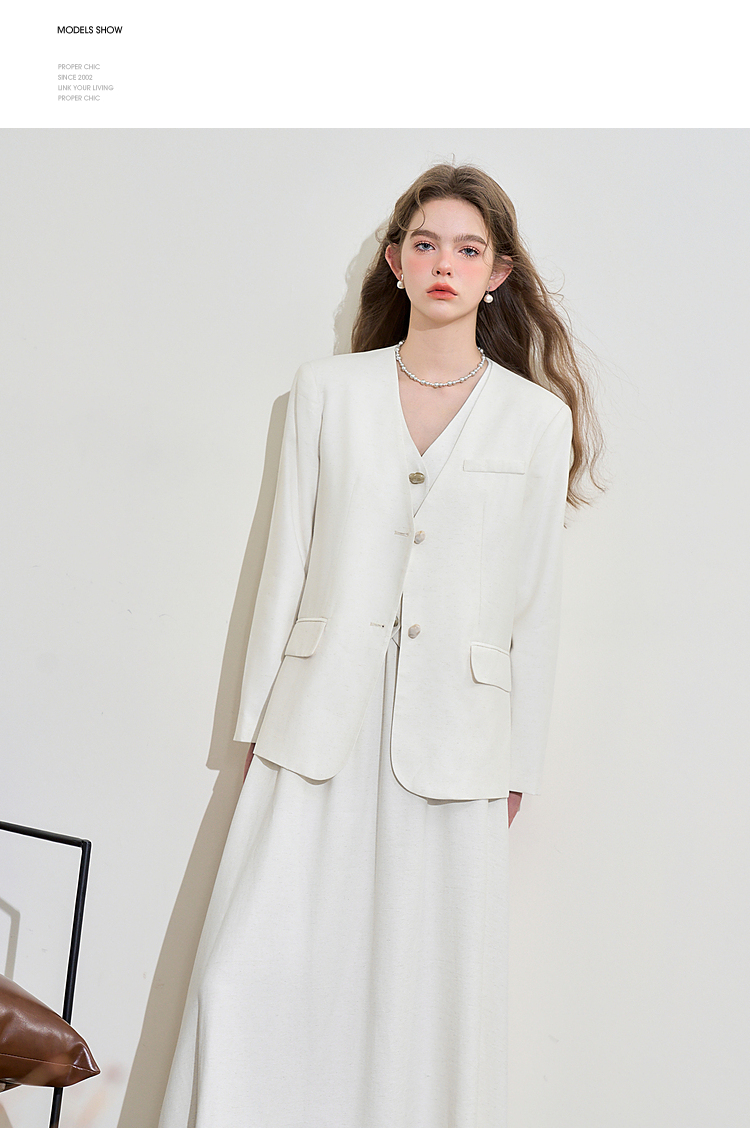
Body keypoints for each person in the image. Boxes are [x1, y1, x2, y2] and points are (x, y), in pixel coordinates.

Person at [159, 163, 601, 1128]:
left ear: (499, 274)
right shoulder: (325, 392)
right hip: (315, 719)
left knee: (423, 988)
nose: (446, 263)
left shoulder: (536, 419)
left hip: (459, 738)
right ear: (396, 261)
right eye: (427, 243)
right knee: (246, 968)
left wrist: (518, 762)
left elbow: (535, 602)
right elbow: (284, 561)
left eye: (469, 249)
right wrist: (253, 726)